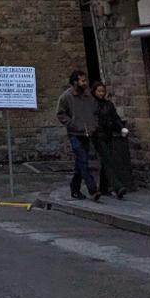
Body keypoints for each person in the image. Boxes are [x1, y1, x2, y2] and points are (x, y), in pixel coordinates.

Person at [56, 70, 100, 201]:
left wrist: (94, 125)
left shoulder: (88, 96)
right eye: (82, 80)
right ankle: (93, 189)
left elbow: (95, 111)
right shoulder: (66, 97)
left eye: (85, 80)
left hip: (87, 132)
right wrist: (71, 124)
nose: (85, 83)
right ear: (75, 82)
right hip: (74, 133)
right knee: (83, 160)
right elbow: (60, 113)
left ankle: (74, 189)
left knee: (80, 162)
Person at [92, 81, 131, 199]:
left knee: (106, 160)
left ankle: (103, 187)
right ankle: (117, 187)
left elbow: (115, 118)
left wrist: (121, 127)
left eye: (103, 91)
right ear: (94, 92)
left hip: (108, 135)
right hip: (97, 135)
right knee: (108, 160)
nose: (101, 93)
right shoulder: (91, 105)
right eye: (99, 91)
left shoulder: (108, 104)